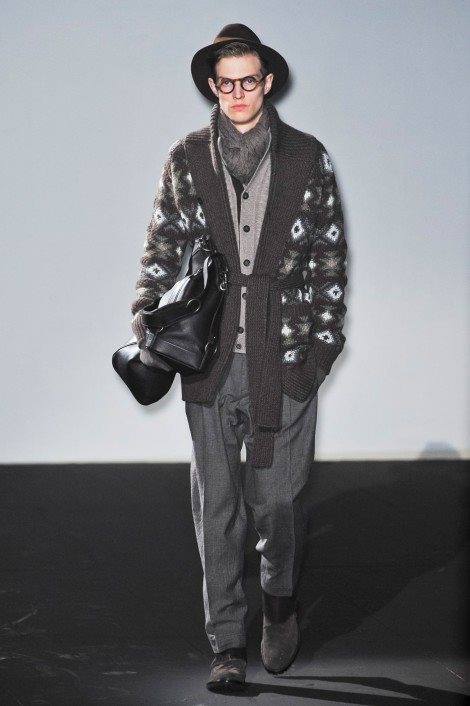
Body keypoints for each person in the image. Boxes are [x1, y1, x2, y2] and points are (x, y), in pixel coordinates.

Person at [130, 23, 348, 693]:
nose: (238, 92)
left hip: (285, 360)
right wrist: (149, 323)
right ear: (212, 86)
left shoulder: (308, 157)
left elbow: (330, 258)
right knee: (217, 509)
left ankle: (278, 603)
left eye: (249, 79)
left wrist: (320, 354)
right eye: (226, 83)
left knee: (277, 503)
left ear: (268, 81)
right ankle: (226, 642)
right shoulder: (187, 157)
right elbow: (161, 245)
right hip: (210, 364)